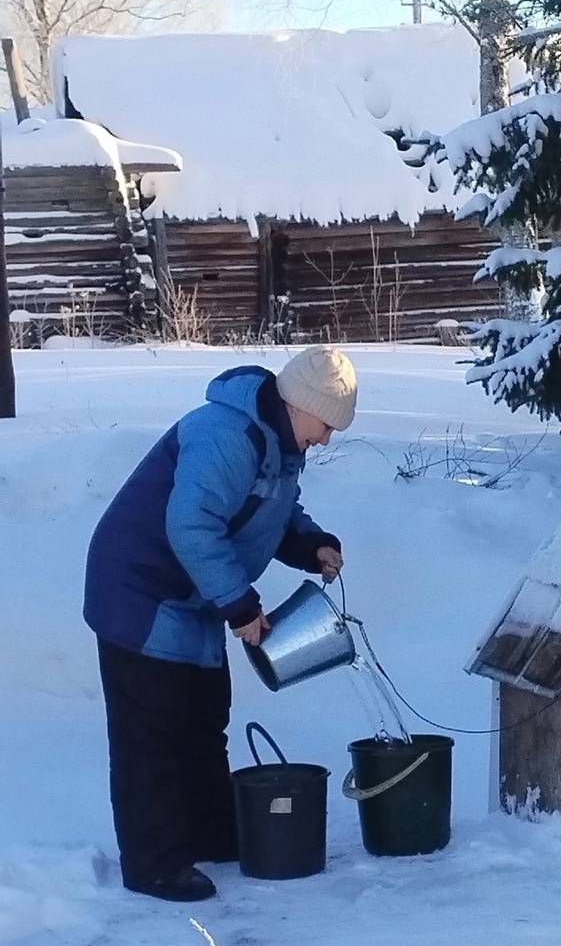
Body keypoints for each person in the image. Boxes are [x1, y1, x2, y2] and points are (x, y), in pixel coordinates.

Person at [83, 347, 358, 902]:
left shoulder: (282, 445)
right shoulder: (226, 434)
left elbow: (272, 511)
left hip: (195, 597)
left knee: (204, 722)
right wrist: (240, 605)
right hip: (142, 592)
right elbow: (191, 525)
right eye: (327, 425)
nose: (327, 440)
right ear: (300, 405)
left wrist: (311, 544)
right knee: (151, 735)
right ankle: (154, 864)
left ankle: (210, 834)